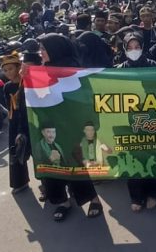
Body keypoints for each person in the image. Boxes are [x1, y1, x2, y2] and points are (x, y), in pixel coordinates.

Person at [35, 34, 103, 221]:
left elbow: (87, 102)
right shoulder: (40, 72)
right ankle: (62, 201)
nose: (40, 52)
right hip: (49, 129)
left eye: (44, 49)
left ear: (55, 50)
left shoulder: (74, 72)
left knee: (75, 164)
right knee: (52, 165)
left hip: (71, 129)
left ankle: (93, 199)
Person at [117, 32, 156, 212]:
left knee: (153, 157)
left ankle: (154, 194)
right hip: (129, 122)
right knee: (132, 158)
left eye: (137, 47)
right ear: (124, 49)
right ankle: (137, 197)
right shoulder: (119, 70)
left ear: (143, 47)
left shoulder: (152, 66)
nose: (134, 50)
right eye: (130, 47)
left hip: (151, 119)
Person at [2, 52, 31, 194]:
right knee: (16, 152)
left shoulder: (27, 84)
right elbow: (9, 107)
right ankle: (20, 182)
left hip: (28, 121)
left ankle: (46, 185)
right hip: (14, 122)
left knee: (38, 153)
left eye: (11, 69)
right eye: (5, 70)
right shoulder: (7, 87)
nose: (8, 73)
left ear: (19, 67)